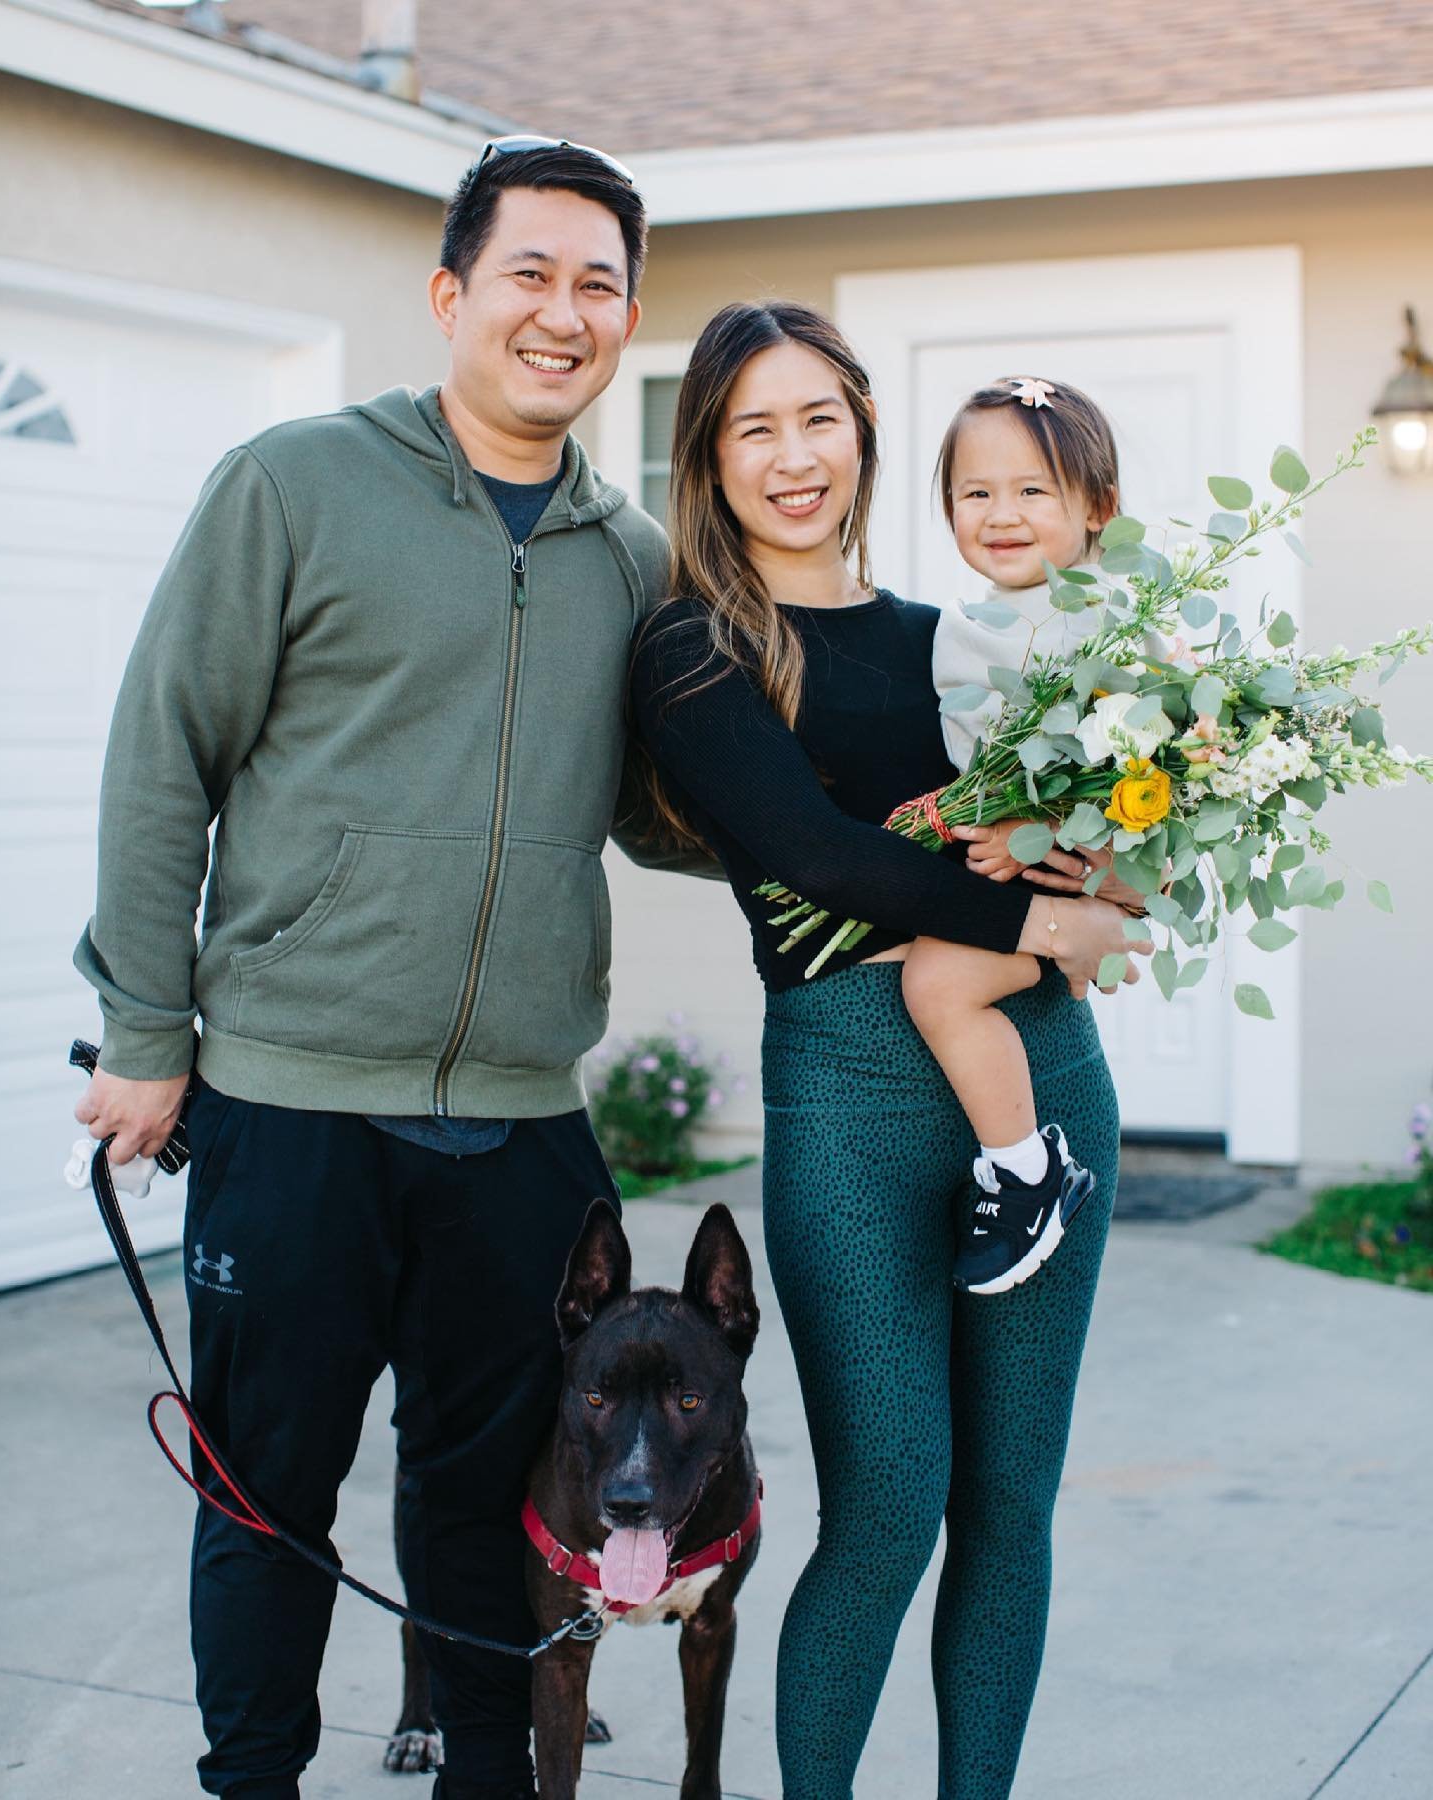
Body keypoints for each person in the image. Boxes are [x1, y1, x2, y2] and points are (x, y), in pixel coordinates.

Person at [72, 138, 691, 1800]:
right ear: (451, 295)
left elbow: (666, 815)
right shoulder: (293, 483)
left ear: (630, 316)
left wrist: (932, 828)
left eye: (600, 285)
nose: (565, 314)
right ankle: (254, 1778)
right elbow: (162, 757)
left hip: (518, 1127)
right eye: (531, 276)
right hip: (288, 1105)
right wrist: (145, 1027)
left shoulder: (631, 561)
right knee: (267, 1490)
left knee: (497, 1504)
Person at [629, 301, 1150, 1800]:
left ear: (863, 428)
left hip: (1044, 1086)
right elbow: (810, 851)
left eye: (818, 419)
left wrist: (1122, 879)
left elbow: (1099, 835)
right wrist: (1040, 924)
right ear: (711, 460)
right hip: (852, 1100)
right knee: (888, 1507)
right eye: (753, 428)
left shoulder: (968, 640)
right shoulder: (695, 648)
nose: (793, 458)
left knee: (1009, 1508)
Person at [901, 374, 1155, 1295]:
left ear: (1100, 508)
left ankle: (1023, 1169)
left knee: (936, 980)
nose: (1000, 514)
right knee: (935, 972)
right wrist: (992, 820)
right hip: (1020, 880)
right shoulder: (960, 630)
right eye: (976, 493)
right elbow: (978, 767)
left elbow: (1152, 762)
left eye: (1032, 490)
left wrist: (1042, 834)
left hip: (1089, 868)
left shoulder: (1124, 620)